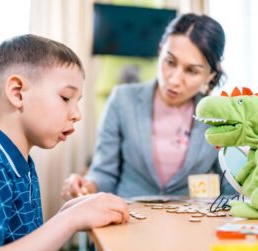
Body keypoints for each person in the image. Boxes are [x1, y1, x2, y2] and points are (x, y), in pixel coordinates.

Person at [62, 13, 234, 200]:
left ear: (210, 75)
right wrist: (88, 185)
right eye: (170, 62)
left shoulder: (219, 118)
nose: (174, 79)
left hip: (190, 223)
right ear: (160, 51)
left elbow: (230, 185)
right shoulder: (123, 100)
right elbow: (104, 172)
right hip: (128, 218)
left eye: (192, 71)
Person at [0, 34, 129, 250]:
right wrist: (70, 219)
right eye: (65, 97)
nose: (77, 114)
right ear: (17, 93)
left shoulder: (20, 161)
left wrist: (65, 216)